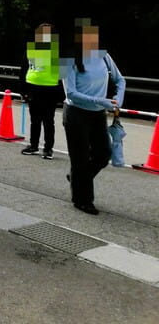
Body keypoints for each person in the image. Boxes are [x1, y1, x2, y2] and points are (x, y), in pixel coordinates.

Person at [60, 18, 125, 215]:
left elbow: (120, 79)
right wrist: (101, 101)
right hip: (76, 114)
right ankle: (83, 200)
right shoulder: (68, 59)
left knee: (103, 154)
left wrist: (117, 99)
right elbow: (70, 93)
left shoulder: (104, 57)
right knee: (79, 158)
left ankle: (79, 179)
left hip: (97, 114)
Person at [20, 23, 63, 159]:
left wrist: (62, 93)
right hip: (33, 87)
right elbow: (24, 68)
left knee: (48, 120)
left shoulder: (57, 51)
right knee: (35, 119)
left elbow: (64, 74)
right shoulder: (31, 49)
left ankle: (48, 148)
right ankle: (34, 146)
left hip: (50, 88)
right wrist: (23, 89)